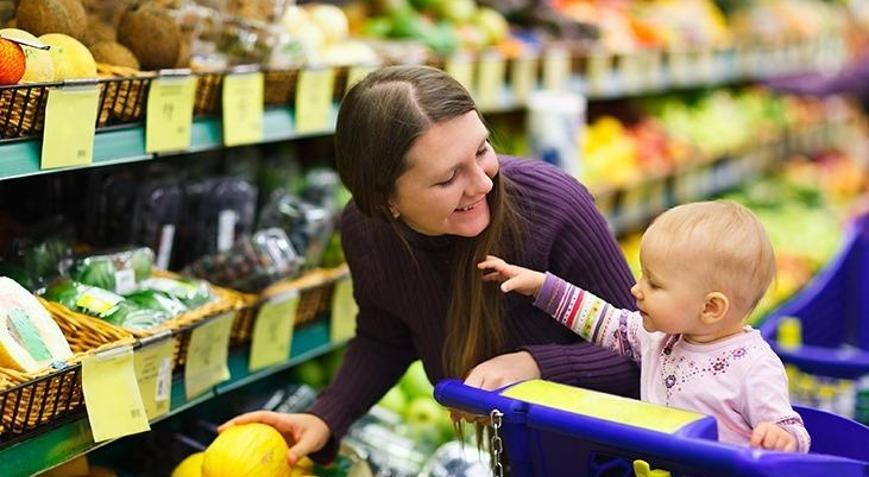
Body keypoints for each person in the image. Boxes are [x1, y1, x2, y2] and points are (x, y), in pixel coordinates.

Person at [219, 65, 641, 464]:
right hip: (508, 453)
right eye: (447, 178)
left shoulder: (552, 205)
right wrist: (328, 416)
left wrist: (536, 367)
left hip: (606, 452)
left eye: (482, 150)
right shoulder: (366, 230)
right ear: (388, 201)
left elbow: (648, 353)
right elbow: (385, 336)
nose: (482, 182)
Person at [478, 200, 811, 452]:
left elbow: (791, 427)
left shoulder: (752, 366)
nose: (636, 289)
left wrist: (781, 438)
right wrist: (541, 286)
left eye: (654, 284)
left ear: (710, 307)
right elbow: (601, 319)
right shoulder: (659, 337)